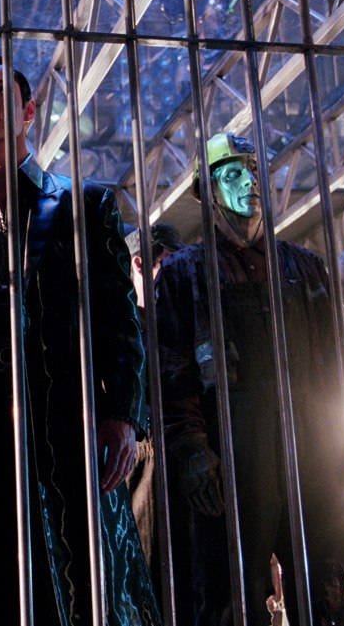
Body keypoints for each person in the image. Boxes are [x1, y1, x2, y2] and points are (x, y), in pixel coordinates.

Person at [0, 48, 160, 626]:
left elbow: (121, 321)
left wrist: (122, 412)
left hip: (64, 427)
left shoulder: (87, 204)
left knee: (74, 586)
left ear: (29, 111)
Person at [155, 132, 344, 625]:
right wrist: (191, 452)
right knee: (232, 599)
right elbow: (170, 375)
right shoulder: (185, 275)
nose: (250, 182)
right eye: (233, 174)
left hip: (313, 451)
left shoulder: (305, 269)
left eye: (254, 171)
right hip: (232, 458)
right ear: (210, 192)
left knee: (327, 593)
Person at [123, 223, 183, 579]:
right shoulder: (118, 331)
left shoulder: (180, 324)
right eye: (168, 264)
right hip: (138, 468)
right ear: (140, 263)